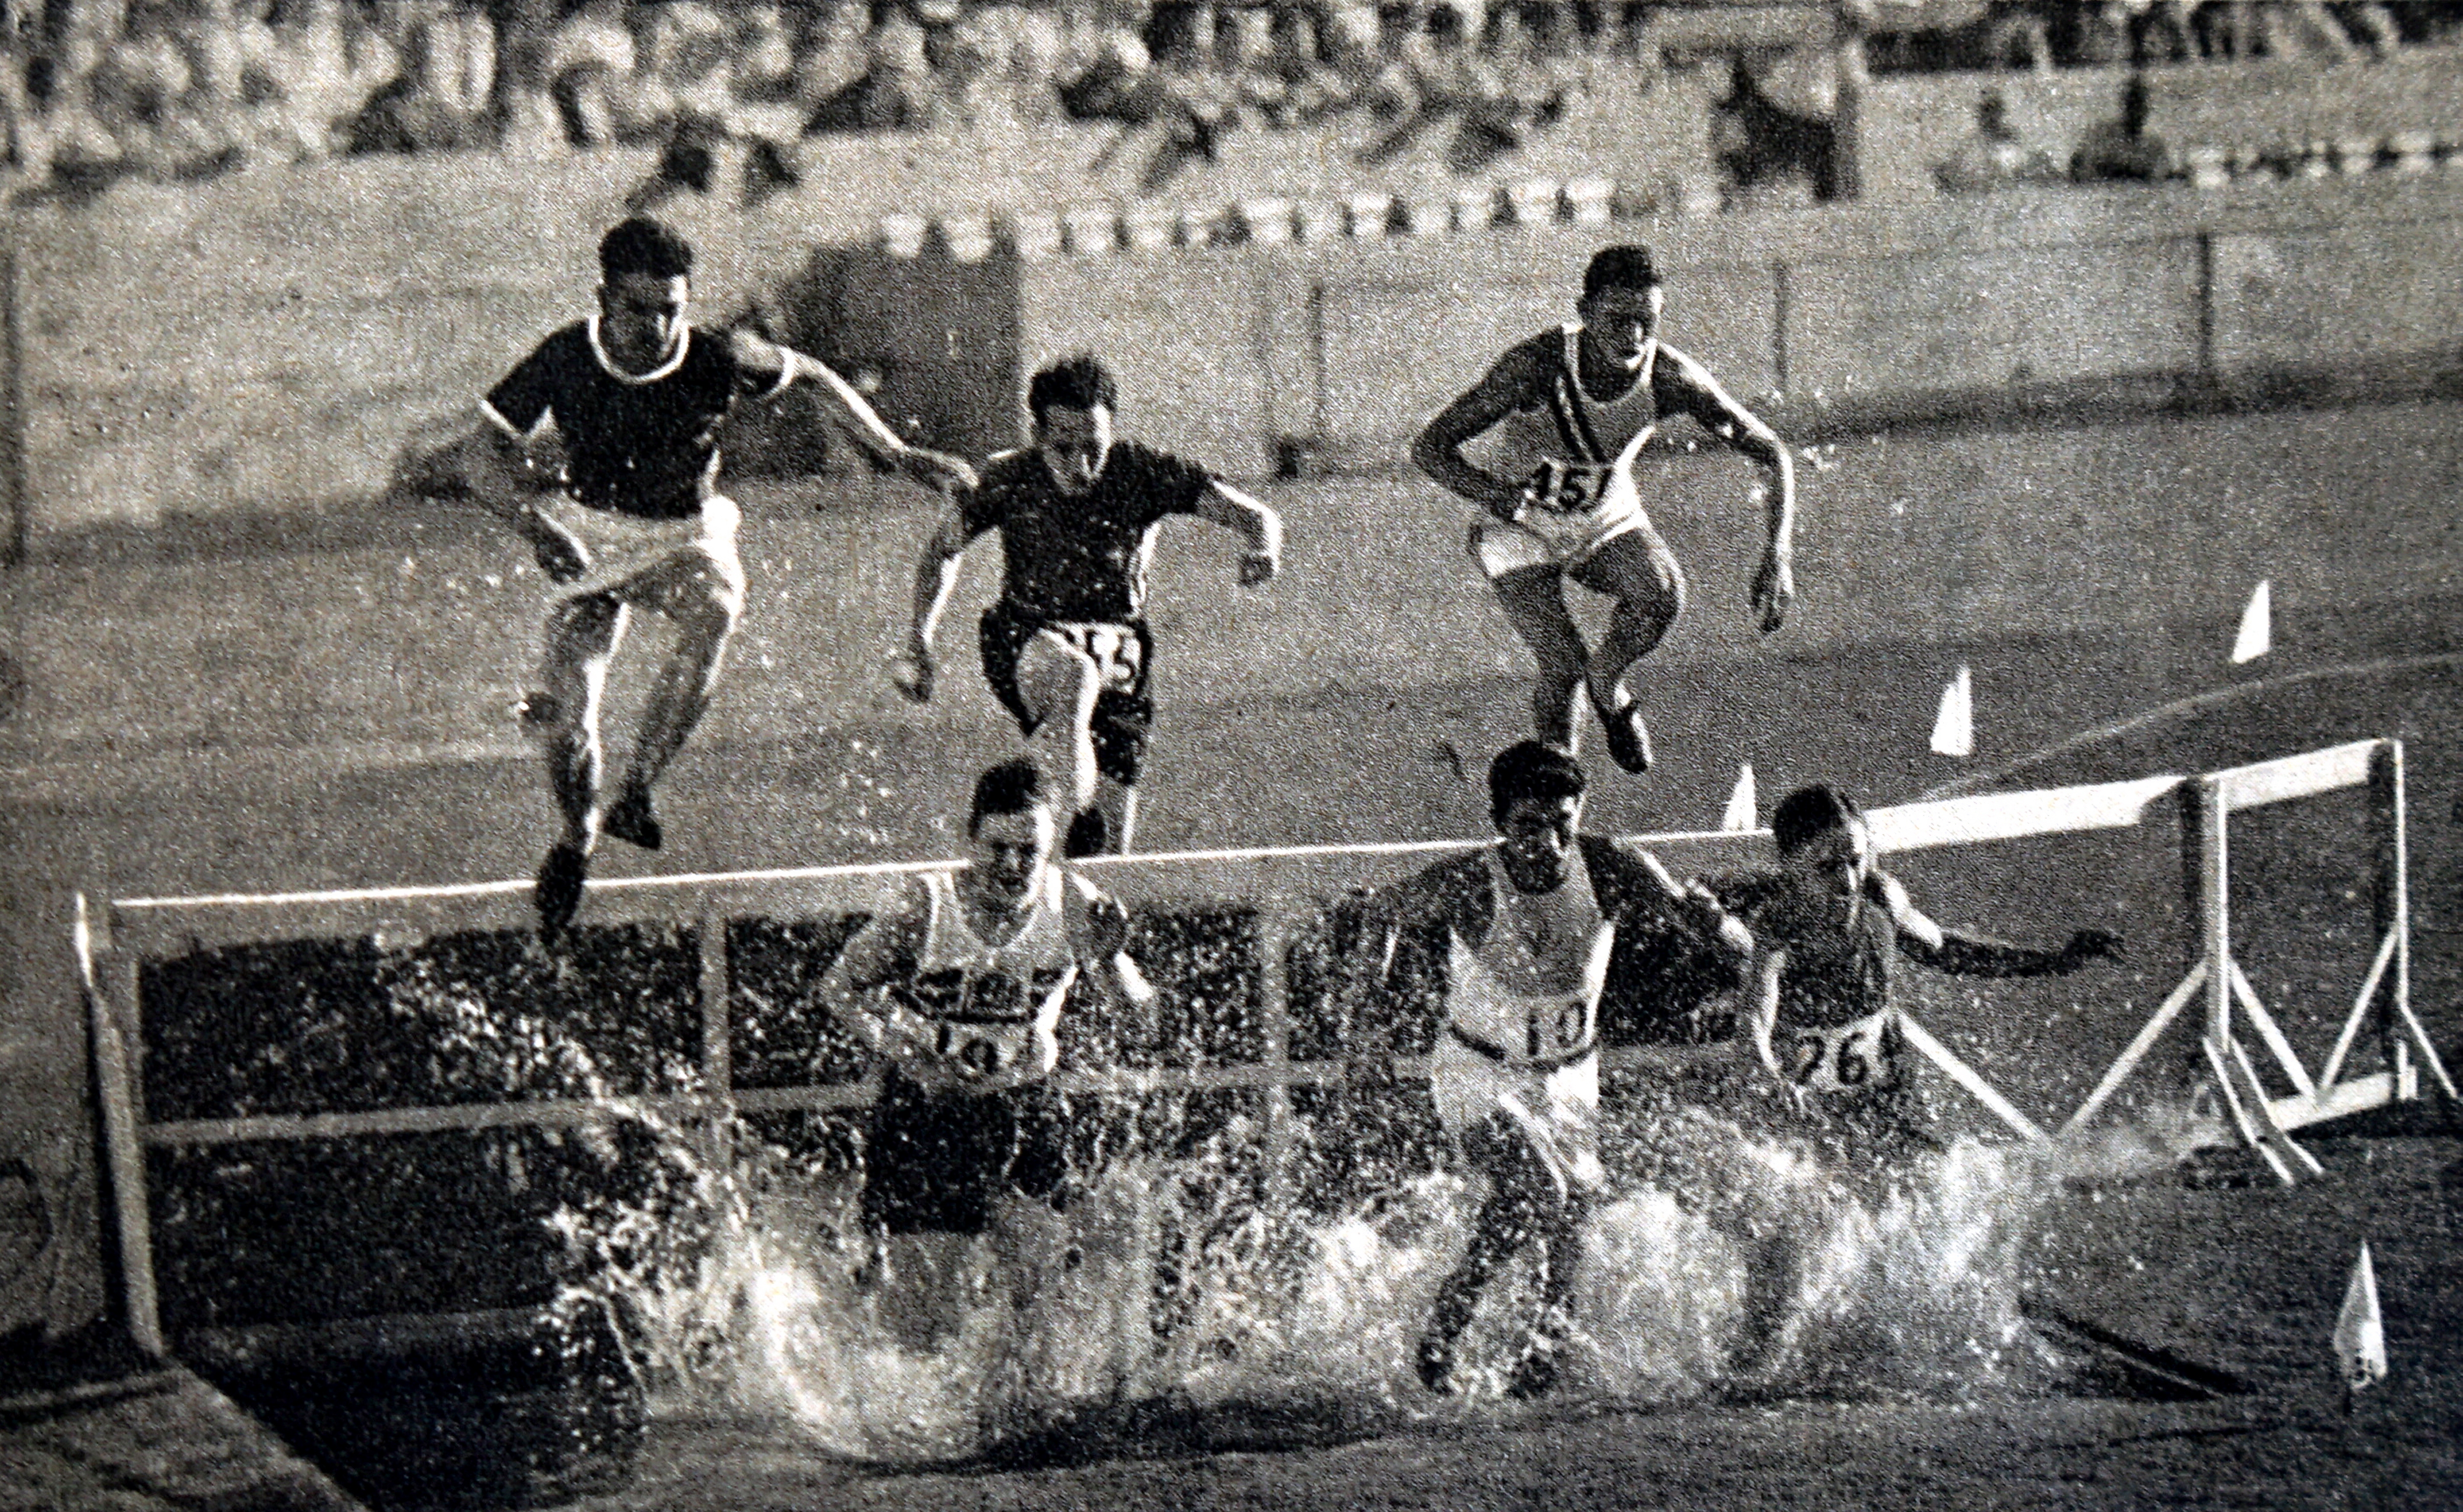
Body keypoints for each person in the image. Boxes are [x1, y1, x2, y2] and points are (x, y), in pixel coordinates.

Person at [395, 216, 976, 938]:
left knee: (717, 607)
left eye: (673, 307)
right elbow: (480, 455)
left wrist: (896, 453)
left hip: (685, 538)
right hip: (593, 539)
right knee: (569, 724)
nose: (659, 325)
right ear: (603, 297)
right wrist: (535, 527)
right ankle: (576, 840)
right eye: (640, 308)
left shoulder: (719, 356)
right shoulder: (566, 356)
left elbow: (816, 379)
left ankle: (638, 791)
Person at [1340, 741, 1751, 1398]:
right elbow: (1381, 915)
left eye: (1565, 824)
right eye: (1531, 827)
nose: (1551, 846)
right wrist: (1363, 1032)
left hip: (1568, 1073)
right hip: (1479, 1071)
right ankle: (1452, 1314)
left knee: (1568, 1220)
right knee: (1542, 1192)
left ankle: (1541, 1359)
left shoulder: (1612, 868)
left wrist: (1718, 924)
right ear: (1501, 822)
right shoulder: (1472, 881)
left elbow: (1728, 944)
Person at [1413, 246, 1796, 774]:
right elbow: (1430, 448)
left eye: (1647, 322)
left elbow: (1770, 451)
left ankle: (1609, 683)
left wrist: (1777, 552)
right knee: (1563, 664)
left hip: (1602, 511)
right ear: (1585, 312)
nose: (1634, 338)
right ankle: (1558, 788)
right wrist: (1497, 496)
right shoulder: (1534, 367)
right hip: (1517, 519)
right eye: (1618, 321)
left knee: (1661, 595)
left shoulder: (1670, 378)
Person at [816, 758, 1156, 1352]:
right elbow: (840, 988)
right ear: (970, 839)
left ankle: (1024, 1419)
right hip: (927, 1113)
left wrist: (1112, 961)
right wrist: (908, 1055)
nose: (1012, 867)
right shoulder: (924, 908)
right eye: (998, 849)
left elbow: (1139, 1015)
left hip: (1023, 1107)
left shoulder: (1073, 903)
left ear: (1049, 849)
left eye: (1029, 851)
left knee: (1041, 1300)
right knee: (925, 1323)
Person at [895, 354, 1283, 859]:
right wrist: (920, 639)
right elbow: (942, 552)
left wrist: (1264, 549)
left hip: (1120, 653)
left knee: (1108, 862)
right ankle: (1064, 827)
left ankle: (1070, 859)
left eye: (1093, 449)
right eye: (1064, 449)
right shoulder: (1009, 478)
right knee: (1074, 678)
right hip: (1025, 634)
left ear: (1112, 432)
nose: (1081, 467)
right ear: (1036, 436)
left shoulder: (1144, 472)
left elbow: (1256, 516)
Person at [1729, 784, 2125, 1175]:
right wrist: (1774, 1079)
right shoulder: (1779, 928)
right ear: (1790, 867)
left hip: (1890, 1088)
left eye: (1855, 860)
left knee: (1923, 1181)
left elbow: (1948, 951)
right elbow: (1755, 1018)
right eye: (1827, 868)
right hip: (1810, 1100)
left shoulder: (1881, 899)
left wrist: (2054, 961)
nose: (1848, 882)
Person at [2069, 71, 2172, 184]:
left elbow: (2160, 180)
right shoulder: (2101, 136)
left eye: (2141, 107)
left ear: (2146, 110)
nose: (2136, 113)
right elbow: (2082, 173)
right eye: (2132, 106)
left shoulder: (2154, 147)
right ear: (2124, 105)